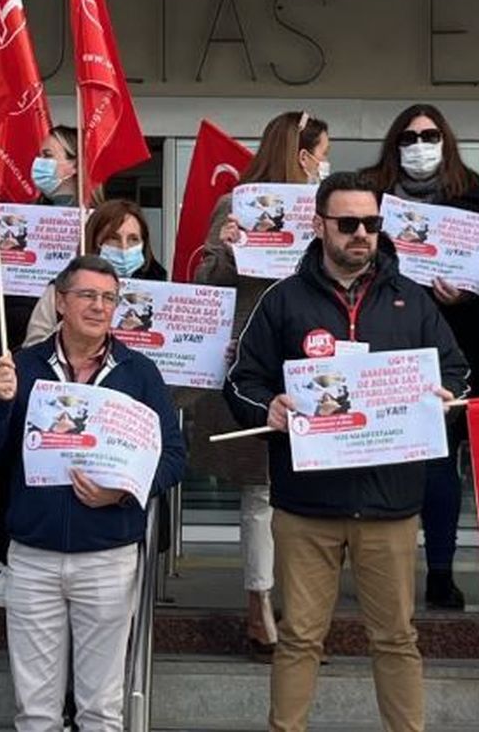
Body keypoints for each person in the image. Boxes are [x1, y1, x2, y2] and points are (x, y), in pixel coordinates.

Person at [225, 171, 470, 732]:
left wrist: (448, 395)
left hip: (390, 502)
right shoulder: (282, 299)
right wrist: (269, 409)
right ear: (319, 225)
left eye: (372, 223)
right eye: (348, 223)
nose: (362, 234)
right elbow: (241, 379)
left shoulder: (413, 300)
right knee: (300, 638)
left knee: (397, 638)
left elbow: (459, 371)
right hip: (306, 504)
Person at [0, 254, 187, 732]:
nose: (99, 306)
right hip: (32, 557)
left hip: (108, 557)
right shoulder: (21, 367)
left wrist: (124, 492)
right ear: (60, 301)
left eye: (109, 298)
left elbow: (173, 456)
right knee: (36, 710)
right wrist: (0, 405)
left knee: (101, 710)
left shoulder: (139, 372)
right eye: (87, 295)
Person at [186, 110, 331, 657]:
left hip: (313, 362)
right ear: (301, 155)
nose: (325, 163)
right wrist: (224, 248)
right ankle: (258, 606)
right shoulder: (237, 204)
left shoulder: (325, 212)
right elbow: (205, 286)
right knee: (260, 494)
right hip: (254, 365)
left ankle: (301, 610)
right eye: (322, 152)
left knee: (312, 496)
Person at [360, 103, 479, 611]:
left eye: (428, 136)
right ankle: (380, 573)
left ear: (445, 141)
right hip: (380, 351)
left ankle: (441, 571)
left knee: (441, 469)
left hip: (451, 348)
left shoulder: (474, 197)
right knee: (377, 464)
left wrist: (472, 291)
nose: (419, 146)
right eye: (408, 138)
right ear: (393, 145)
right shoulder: (369, 195)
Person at [0, 123, 96, 609]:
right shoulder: (19, 217)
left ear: (73, 165)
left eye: (50, 154)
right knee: (11, 464)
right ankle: (4, 563)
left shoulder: (91, 222)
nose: (40, 162)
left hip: (78, 362)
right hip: (25, 352)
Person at [23, 199, 168, 345]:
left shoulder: (163, 294)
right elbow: (32, 349)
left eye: (133, 239)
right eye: (113, 238)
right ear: (94, 241)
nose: (124, 248)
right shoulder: (61, 290)